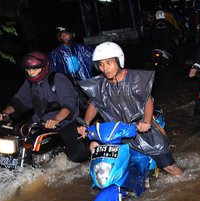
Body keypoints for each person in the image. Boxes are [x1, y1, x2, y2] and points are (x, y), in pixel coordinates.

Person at [77, 42, 183, 177]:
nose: (105, 68)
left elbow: (147, 101)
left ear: (119, 61)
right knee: (93, 146)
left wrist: (146, 122)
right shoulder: (100, 84)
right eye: (101, 64)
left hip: (140, 129)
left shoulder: (136, 78)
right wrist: (85, 124)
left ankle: (186, 179)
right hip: (115, 131)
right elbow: (94, 104)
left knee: (169, 167)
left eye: (109, 63)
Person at [0, 51, 90, 163]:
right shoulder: (29, 83)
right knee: (20, 144)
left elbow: (68, 105)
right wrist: (5, 113)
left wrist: (56, 119)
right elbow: (19, 101)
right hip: (41, 123)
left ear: (44, 67)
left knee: (76, 157)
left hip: (65, 122)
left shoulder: (57, 79)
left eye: (35, 69)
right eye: (28, 69)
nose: (31, 72)